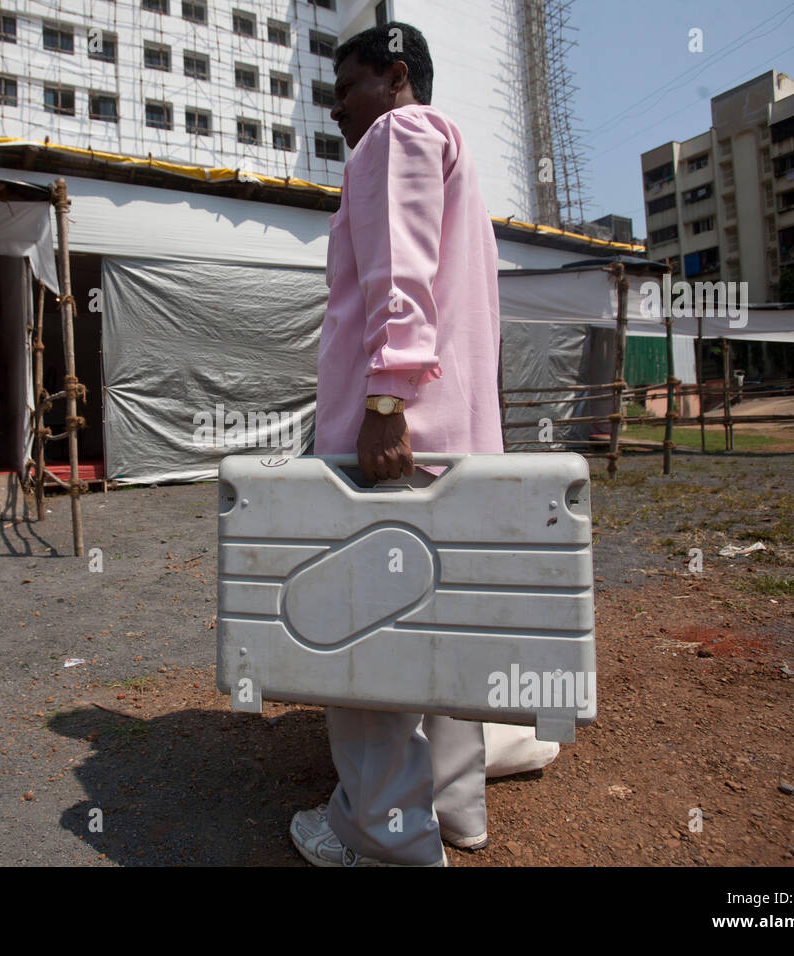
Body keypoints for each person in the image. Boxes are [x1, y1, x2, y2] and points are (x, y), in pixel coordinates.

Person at [290, 22, 504, 867]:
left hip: (392, 439)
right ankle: (455, 806)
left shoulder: (398, 132)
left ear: (396, 75)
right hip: (453, 437)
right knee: (442, 627)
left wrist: (385, 395)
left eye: (348, 85)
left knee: (367, 638)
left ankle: (382, 839)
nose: (339, 106)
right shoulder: (456, 153)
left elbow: (399, 267)